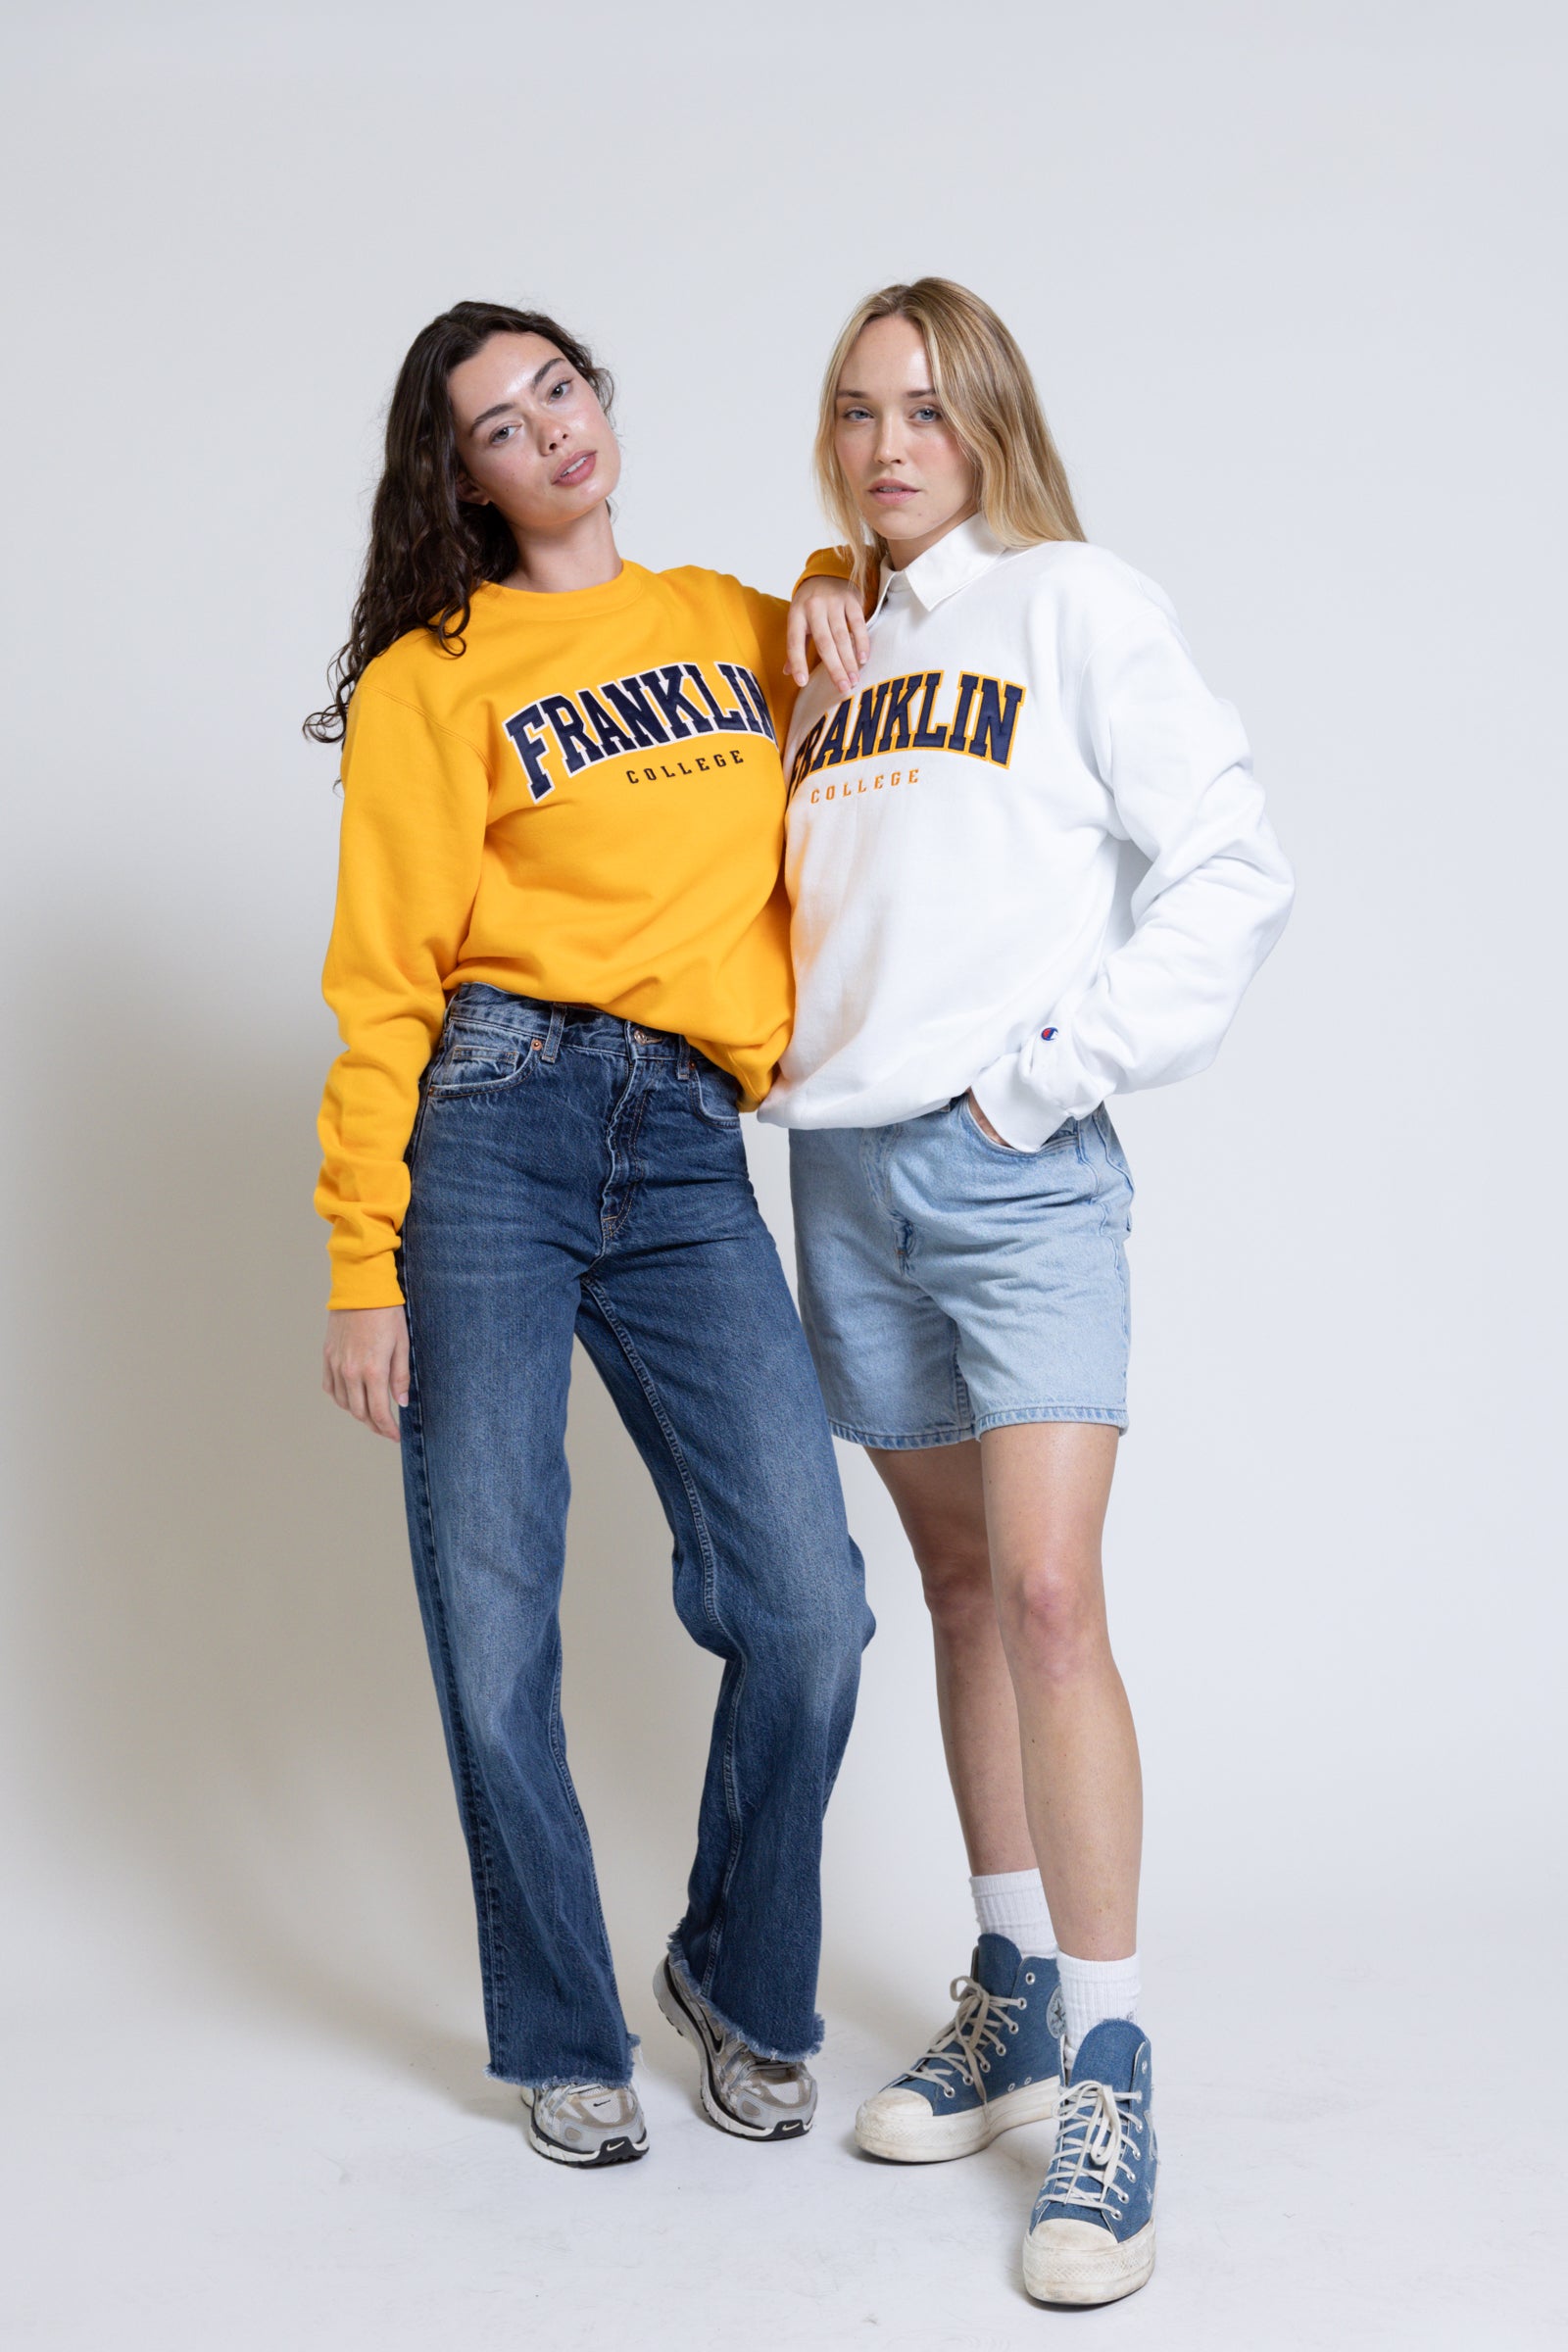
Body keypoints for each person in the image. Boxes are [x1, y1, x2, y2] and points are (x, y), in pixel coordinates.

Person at [770, 278, 1294, 2303]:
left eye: (924, 408)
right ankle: (1010, 1992)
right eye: (854, 412)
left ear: (987, 421)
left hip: (1011, 1175)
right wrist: (818, 620)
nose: (886, 445)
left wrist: (1041, 1083)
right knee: (964, 1590)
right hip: (840, 1178)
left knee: (1056, 1594)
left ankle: (1112, 2064)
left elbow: (1231, 863)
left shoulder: (1072, 602)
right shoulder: (830, 648)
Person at [310, 300, 876, 2169]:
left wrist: (824, 584)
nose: (548, 428)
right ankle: (562, 2026)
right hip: (493, 1122)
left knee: (808, 1606)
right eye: (499, 424)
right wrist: (360, 1259)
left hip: (689, 1138)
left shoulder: (725, 620)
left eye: (559, 388)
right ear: (464, 481)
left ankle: (730, 1970)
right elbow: (384, 980)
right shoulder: (435, 676)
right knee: (494, 1610)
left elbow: (861, 601)